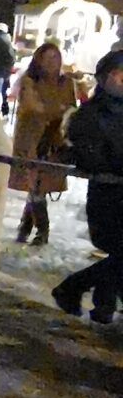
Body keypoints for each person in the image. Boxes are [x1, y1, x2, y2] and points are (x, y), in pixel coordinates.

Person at [53, 47, 123, 323]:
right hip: (107, 197)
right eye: (119, 75)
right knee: (120, 254)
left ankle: (102, 306)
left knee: (119, 256)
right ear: (104, 78)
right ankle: (73, 288)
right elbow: (90, 155)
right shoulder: (90, 115)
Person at [9, 39, 82, 245]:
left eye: (56, 57)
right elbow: (33, 108)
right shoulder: (29, 81)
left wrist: (59, 113)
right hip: (32, 140)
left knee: (39, 186)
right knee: (35, 183)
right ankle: (42, 228)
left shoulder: (66, 83)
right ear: (38, 60)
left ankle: (26, 226)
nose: (52, 62)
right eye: (48, 57)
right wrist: (57, 110)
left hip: (54, 141)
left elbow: (71, 109)